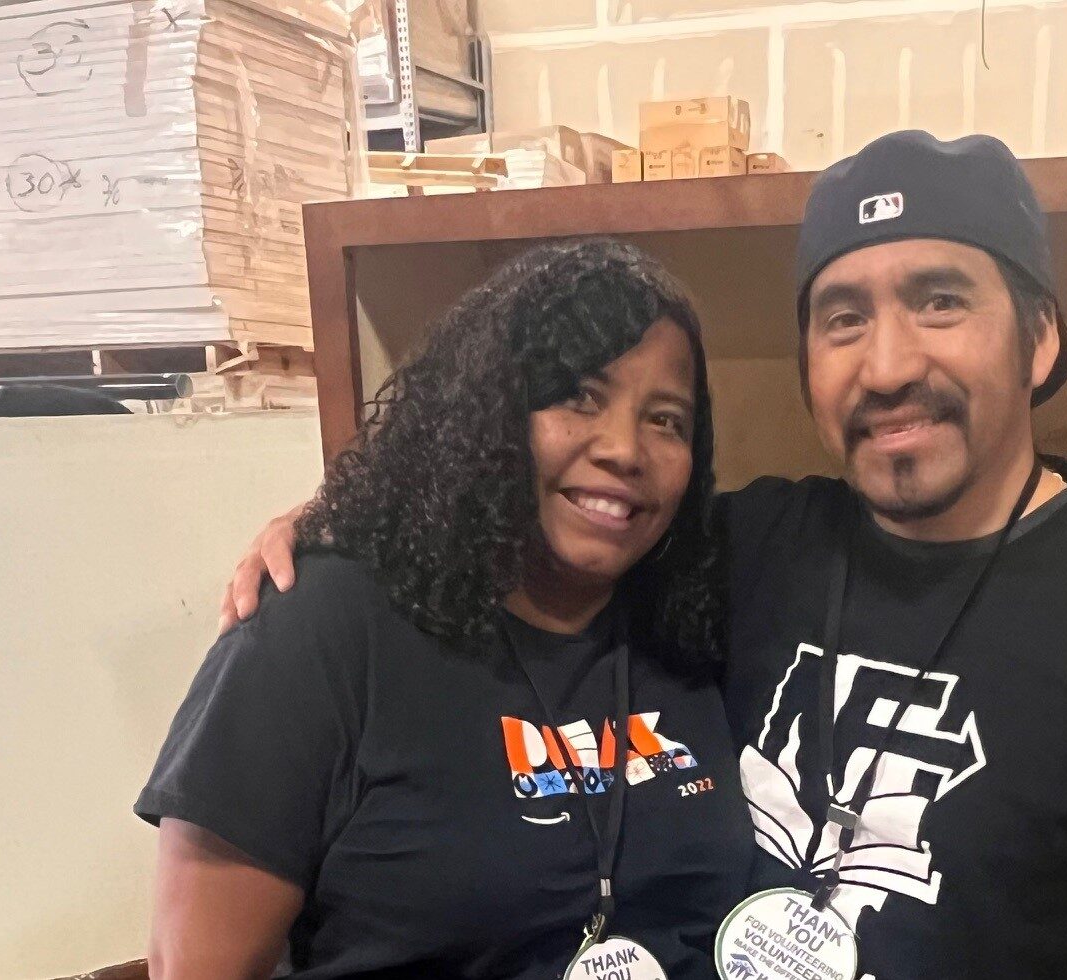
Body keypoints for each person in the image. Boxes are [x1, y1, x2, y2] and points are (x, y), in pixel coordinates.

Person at [222, 132, 1067, 979]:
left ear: (1038, 336)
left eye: (941, 301)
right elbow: (534, 513)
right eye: (842, 317)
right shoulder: (740, 550)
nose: (887, 363)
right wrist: (337, 523)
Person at [139, 239, 754, 979]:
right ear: (489, 412)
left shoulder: (689, 622)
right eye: (578, 396)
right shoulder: (323, 629)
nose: (625, 449)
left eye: (667, 421)